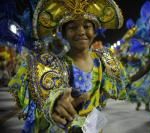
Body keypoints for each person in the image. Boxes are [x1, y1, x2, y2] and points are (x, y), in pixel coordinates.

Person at [8, 0, 127, 132]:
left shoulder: (103, 60)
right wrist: (54, 102)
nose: (81, 32)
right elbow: (43, 89)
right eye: (72, 27)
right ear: (63, 33)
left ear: (95, 31)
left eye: (87, 26)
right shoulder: (52, 62)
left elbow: (120, 85)